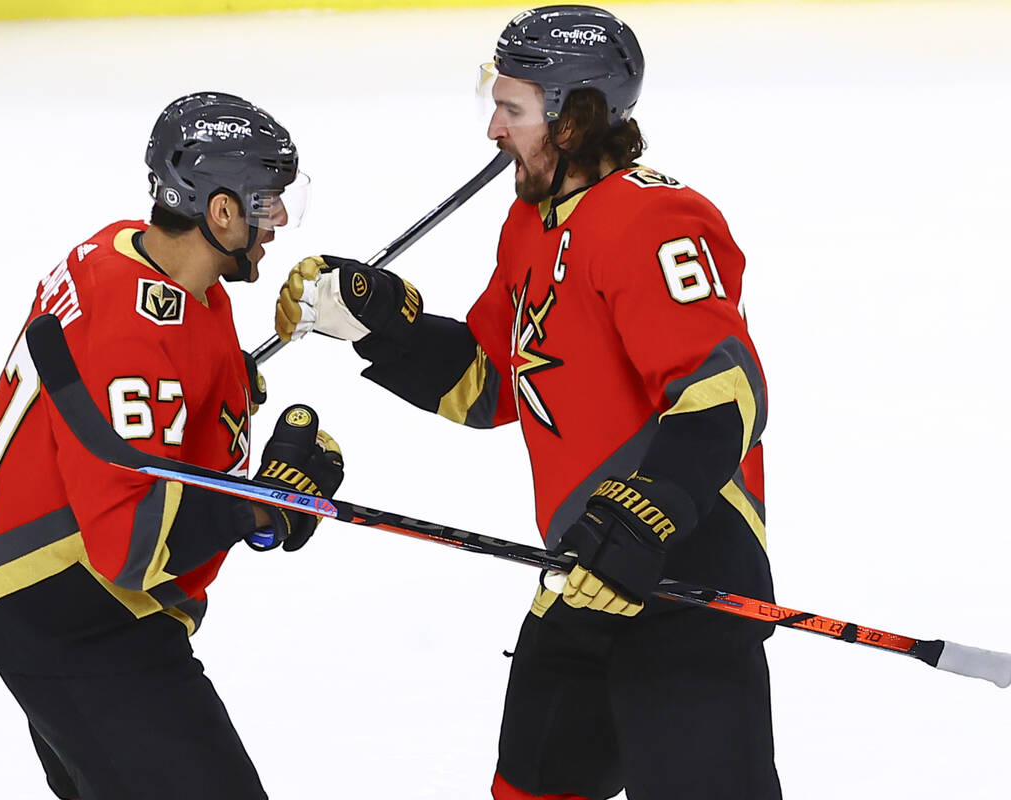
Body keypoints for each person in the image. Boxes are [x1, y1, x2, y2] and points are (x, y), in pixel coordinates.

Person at [273, 6, 780, 799]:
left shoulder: (654, 219)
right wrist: (375, 322)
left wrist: (644, 515)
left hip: (688, 574)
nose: (493, 131)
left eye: (512, 109)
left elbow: (723, 388)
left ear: (574, 119)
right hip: (585, 569)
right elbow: (488, 382)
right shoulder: (530, 224)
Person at [0, 92, 343, 800]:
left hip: (51, 595)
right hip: (71, 604)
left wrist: (225, 385)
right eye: (267, 201)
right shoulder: (138, 333)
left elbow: (147, 394)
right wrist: (262, 508)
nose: (276, 221)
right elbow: (127, 544)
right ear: (219, 210)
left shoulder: (129, 254)